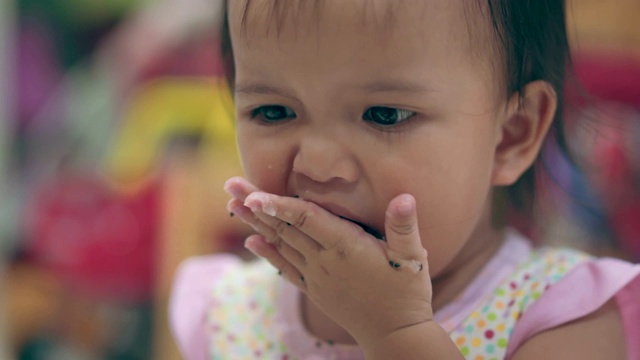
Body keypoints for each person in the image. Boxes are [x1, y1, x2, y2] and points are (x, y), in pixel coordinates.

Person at [169, 1, 640, 359]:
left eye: (384, 114)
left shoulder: (563, 319)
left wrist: (396, 336)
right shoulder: (226, 316)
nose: (316, 164)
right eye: (273, 111)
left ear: (510, 137)